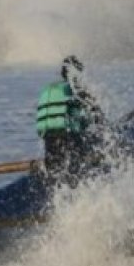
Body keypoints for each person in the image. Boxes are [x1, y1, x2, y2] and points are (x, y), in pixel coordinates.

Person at [35, 56, 107, 186]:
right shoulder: (77, 90)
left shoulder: (49, 89)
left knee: (56, 176)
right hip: (69, 138)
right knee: (80, 168)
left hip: (49, 140)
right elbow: (96, 119)